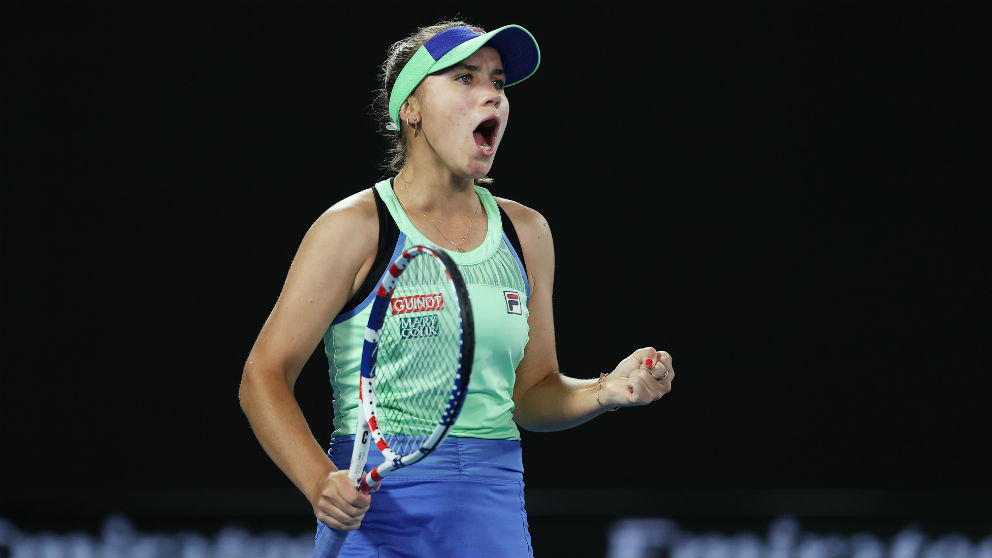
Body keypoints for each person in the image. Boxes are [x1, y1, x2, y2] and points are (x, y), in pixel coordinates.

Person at [239, 20, 675, 558]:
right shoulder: (353, 229)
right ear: (411, 109)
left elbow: (530, 392)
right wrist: (318, 481)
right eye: (465, 78)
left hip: (494, 522)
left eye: (497, 81)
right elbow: (263, 376)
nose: (491, 92)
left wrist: (603, 391)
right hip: (379, 521)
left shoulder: (527, 233)